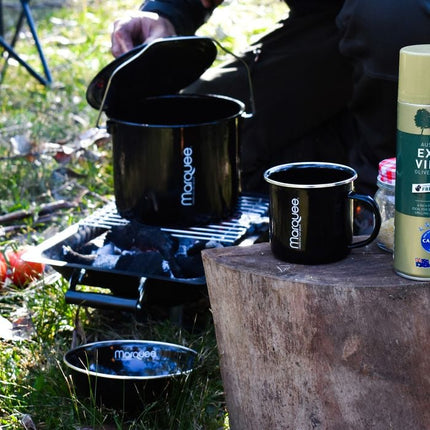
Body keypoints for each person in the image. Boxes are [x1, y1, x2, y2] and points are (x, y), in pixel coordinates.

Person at [111, 0, 430, 198]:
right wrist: (167, 11)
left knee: (389, 14)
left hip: (411, 29)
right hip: (332, 28)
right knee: (205, 141)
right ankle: (346, 159)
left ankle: (389, 198)